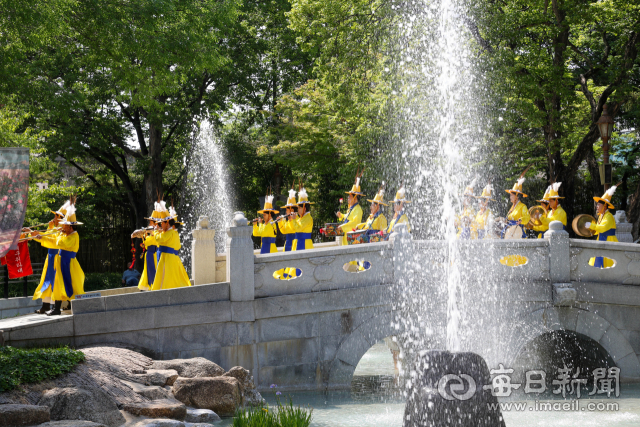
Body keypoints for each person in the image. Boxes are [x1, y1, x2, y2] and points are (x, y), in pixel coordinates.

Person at [32, 200, 85, 315]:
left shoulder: (73, 236)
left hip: (69, 263)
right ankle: (56, 309)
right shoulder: (65, 234)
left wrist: (58, 232)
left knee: (71, 284)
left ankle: (68, 306)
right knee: (57, 284)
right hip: (61, 262)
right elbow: (53, 241)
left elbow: (59, 243)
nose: (62, 226)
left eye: (65, 225)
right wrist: (39, 237)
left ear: (71, 227)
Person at [32, 200, 68, 314]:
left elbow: (51, 241)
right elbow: (46, 239)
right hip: (50, 256)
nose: (54, 217)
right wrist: (32, 234)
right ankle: (45, 305)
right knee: (46, 281)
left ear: (61, 218)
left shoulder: (62, 230)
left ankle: (62, 305)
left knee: (57, 282)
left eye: (56, 216)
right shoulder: (54, 228)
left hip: (58, 257)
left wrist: (36, 235)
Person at [151, 201, 191, 290]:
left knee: (167, 281)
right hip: (173, 258)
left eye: (162, 223)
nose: (161, 224)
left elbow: (159, 239)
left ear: (167, 223)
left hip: (167, 259)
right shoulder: (173, 233)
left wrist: (156, 231)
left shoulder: (169, 233)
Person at [587, 185, 619, 269]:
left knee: (609, 264)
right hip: (601, 239)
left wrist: (591, 225)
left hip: (609, 240)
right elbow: (598, 230)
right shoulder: (601, 216)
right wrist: (591, 230)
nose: (597, 207)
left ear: (604, 206)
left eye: (598, 205)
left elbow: (603, 228)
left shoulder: (609, 216)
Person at [137, 203, 161, 291]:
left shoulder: (157, 231)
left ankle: (155, 286)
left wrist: (148, 231)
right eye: (150, 220)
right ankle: (148, 287)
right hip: (149, 254)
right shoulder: (148, 231)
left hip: (155, 254)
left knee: (154, 271)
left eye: (151, 221)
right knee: (148, 271)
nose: (149, 222)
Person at [337, 173, 364, 245]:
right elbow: (347, 217)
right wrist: (341, 216)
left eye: (350, 196)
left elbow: (354, 223)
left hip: (352, 239)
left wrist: (342, 227)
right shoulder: (352, 208)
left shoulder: (358, 209)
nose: (348, 198)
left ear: (355, 198)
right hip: (346, 236)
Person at [503, 170, 530, 239]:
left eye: (511, 195)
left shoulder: (523, 206)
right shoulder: (512, 207)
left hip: (518, 232)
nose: (510, 197)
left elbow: (527, 217)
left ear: (517, 196)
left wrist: (521, 220)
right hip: (511, 232)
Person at [277, 186, 297, 252]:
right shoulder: (288, 220)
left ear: (292, 210)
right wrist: (280, 222)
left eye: (287, 209)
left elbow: (294, 228)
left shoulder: (297, 219)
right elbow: (284, 231)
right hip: (287, 242)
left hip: (295, 242)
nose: (286, 211)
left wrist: (292, 219)